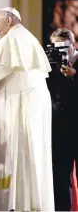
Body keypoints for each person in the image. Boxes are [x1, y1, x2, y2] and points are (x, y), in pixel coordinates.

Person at [0, 7, 54, 211]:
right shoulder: (27, 37)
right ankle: (29, 203)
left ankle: (14, 204)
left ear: (10, 20)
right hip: (32, 103)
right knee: (30, 156)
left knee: (13, 153)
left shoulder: (12, 38)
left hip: (21, 105)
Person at [48, 28, 78, 211]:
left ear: (73, 45)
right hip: (60, 131)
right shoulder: (52, 66)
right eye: (56, 47)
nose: (60, 51)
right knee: (60, 179)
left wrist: (75, 76)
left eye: (64, 47)